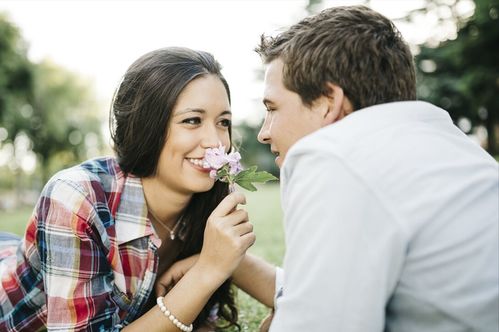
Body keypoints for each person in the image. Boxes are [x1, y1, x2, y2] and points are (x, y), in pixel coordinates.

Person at [253, 5, 498, 331]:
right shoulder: (457, 149)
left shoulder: (334, 157)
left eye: (273, 108)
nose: (264, 132)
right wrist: (229, 265)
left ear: (329, 101)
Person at [0, 47, 257, 331]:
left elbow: (283, 291)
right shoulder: (76, 195)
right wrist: (207, 271)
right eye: (192, 120)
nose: (215, 142)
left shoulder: (209, 199)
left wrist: (216, 261)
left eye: (224, 122)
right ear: (146, 126)